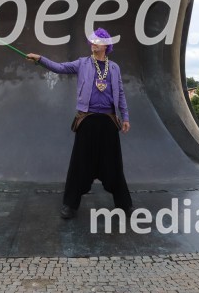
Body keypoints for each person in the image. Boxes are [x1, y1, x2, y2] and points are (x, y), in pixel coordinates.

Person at [26, 28, 132, 220]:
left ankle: (125, 205)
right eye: (91, 41)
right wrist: (40, 59)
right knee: (79, 164)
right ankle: (70, 205)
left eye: (97, 41)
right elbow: (60, 67)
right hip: (87, 120)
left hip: (108, 121)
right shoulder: (82, 63)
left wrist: (125, 117)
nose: (93, 43)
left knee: (114, 165)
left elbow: (121, 94)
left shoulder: (114, 68)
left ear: (106, 46)